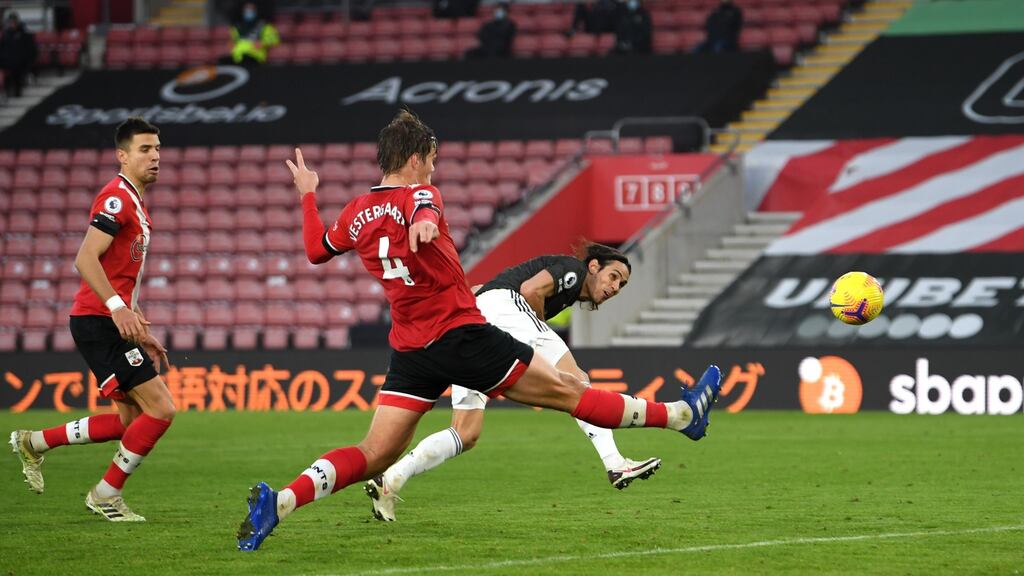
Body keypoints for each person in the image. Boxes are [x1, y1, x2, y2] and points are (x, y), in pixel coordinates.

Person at [235, 110, 723, 552]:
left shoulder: (353, 213)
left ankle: (280, 502)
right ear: (415, 157)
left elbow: (317, 250)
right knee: (572, 390)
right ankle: (682, 416)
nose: (433, 169)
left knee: (373, 452)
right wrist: (424, 223)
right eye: (431, 160)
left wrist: (307, 195)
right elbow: (423, 208)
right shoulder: (421, 193)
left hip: (411, 349)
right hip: (462, 336)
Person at [364, 245, 662, 522]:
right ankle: (614, 462)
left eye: (621, 285)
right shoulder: (574, 270)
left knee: (465, 433)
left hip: (475, 323)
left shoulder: (562, 282)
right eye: (614, 276)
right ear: (594, 266)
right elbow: (530, 290)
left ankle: (390, 480)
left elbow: (479, 291)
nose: (614, 287)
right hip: (508, 309)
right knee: (577, 382)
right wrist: (538, 331)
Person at [9, 118, 174, 522]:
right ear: (122, 156)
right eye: (144, 150)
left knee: (129, 422)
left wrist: (134, 317)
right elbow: (85, 258)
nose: (155, 156)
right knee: (162, 409)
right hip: (99, 321)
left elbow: (118, 270)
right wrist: (118, 308)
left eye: (157, 148)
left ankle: (35, 442)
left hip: (108, 320)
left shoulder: (133, 201)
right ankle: (105, 494)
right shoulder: (116, 198)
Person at [227, 1, 279, 66]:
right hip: (238, 57)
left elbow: (274, 39)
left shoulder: (264, 26)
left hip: (255, 56)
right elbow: (233, 40)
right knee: (222, 62)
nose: (248, 11)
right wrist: (231, 43)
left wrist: (263, 43)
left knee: (246, 61)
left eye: (251, 9)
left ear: (256, 11)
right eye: (246, 9)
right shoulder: (237, 27)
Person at [0, 12, 37, 99]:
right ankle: (8, 91)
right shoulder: (6, 34)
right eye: (10, 22)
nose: (12, 24)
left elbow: (29, 49)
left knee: (17, 70)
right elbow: (2, 47)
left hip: (20, 61)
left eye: (14, 22)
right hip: (8, 61)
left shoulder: (23, 34)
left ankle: (17, 91)